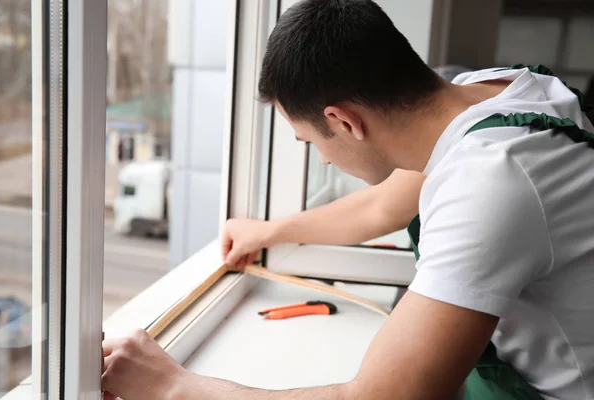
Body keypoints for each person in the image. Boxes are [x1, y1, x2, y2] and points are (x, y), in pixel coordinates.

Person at [101, 1, 594, 399]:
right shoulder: (482, 93)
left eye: (310, 142)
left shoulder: (494, 179)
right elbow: (382, 207)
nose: (324, 161)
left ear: (345, 122)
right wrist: (271, 231)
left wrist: (172, 386)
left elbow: (385, 396)